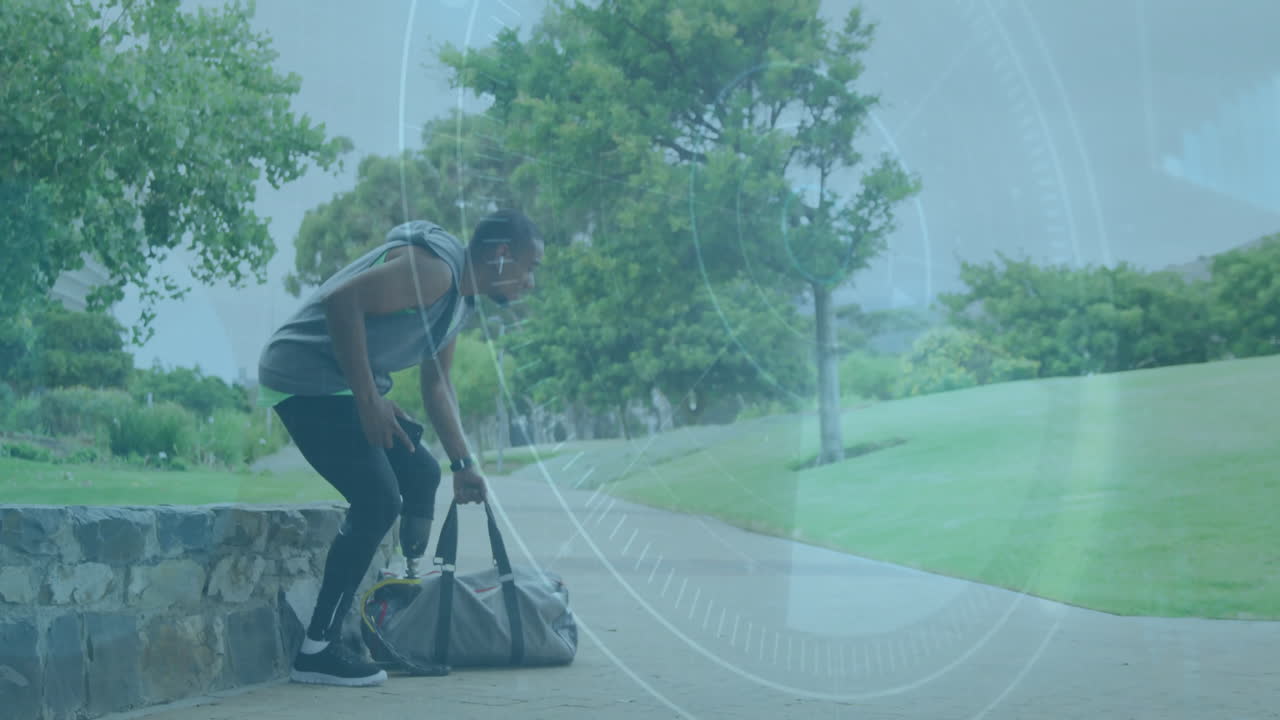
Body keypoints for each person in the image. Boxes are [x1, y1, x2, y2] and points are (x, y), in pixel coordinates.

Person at [256, 209, 544, 687]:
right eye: (529, 267)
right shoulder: (436, 272)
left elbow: (437, 386)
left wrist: (463, 464)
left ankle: (380, 615)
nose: (530, 282)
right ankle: (318, 649)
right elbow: (340, 302)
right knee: (378, 499)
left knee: (420, 475)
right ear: (500, 255)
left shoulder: (458, 304)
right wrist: (370, 400)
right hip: (302, 377)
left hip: (338, 387)